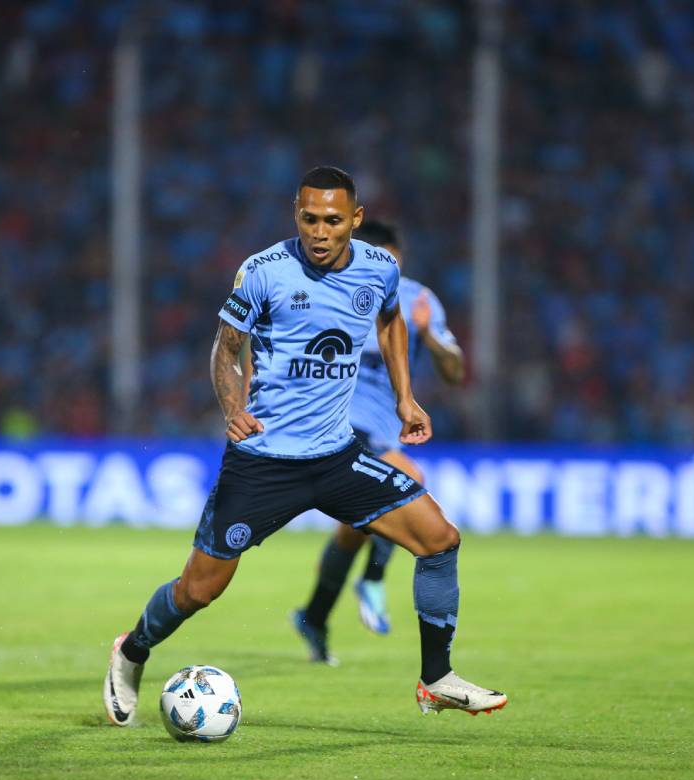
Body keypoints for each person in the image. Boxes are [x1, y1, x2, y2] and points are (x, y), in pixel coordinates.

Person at [104, 166, 506, 724]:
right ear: (297, 215)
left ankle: (436, 678)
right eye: (309, 219)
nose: (319, 232)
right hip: (263, 463)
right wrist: (232, 409)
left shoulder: (379, 268)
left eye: (333, 221)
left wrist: (404, 398)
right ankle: (131, 651)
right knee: (198, 590)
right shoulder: (263, 272)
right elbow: (226, 349)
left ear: (355, 220)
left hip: (336, 457)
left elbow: (390, 320)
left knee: (439, 540)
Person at [293, 219, 464, 662]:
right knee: (409, 481)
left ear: (399, 259)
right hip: (337, 424)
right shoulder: (329, 290)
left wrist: (428, 334)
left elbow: (455, 371)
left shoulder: (418, 299)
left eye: (388, 258)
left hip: (384, 431)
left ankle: (313, 615)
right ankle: (372, 579)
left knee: (354, 530)